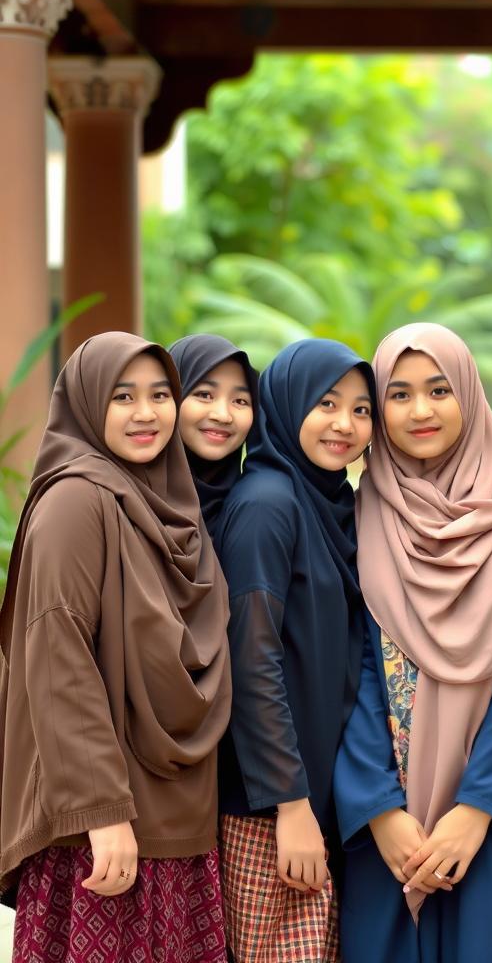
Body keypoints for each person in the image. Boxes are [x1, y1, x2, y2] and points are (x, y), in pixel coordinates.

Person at [335, 322, 492, 963]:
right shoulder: (357, 512)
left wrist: (478, 808)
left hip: (490, 819)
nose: (420, 411)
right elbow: (346, 664)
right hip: (387, 824)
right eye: (399, 394)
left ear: (468, 393)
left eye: (439, 390)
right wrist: (379, 809)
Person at [0, 332, 231, 963]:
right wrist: (102, 814)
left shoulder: (166, 502)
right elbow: (59, 659)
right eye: (122, 396)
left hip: (173, 818)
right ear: (86, 402)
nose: (147, 412)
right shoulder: (77, 500)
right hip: (104, 829)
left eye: (161, 394)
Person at [215, 339, 374, 963]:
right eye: (327, 403)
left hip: (316, 800)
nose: (345, 424)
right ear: (285, 404)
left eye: (361, 410)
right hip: (270, 809)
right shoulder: (267, 505)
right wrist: (291, 806)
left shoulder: (333, 504)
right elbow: (252, 661)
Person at [168, 334, 259, 541]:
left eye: (240, 400)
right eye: (204, 395)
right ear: (171, 396)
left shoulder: (253, 509)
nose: (223, 415)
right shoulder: (127, 500)